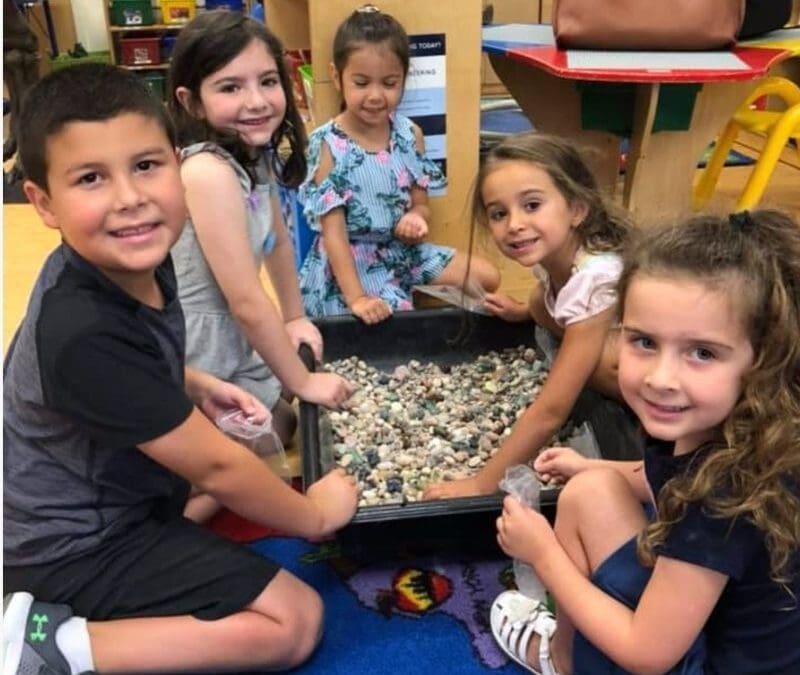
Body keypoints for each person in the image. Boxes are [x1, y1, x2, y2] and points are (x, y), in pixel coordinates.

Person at [3, 63, 358, 675]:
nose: (130, 198)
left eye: (145, 165)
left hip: (105, 492)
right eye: (91, 178)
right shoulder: (82, 327)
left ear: (175, 160)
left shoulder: (136, 253)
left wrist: (191, 382)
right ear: (43, 202)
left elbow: (119, 371)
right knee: (292, 621)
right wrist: (315, 517)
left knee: (242, 464)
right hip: (66, 546)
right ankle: (47, 647)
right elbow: (218, 468)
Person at [491, 211, 800, 674]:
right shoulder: (737, 425)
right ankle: (564, 658)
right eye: (643, 342)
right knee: (589, 490)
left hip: (700, 659)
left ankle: (564, 661)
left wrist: (543, 554)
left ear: (765, 359)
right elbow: (663, 475)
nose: (660, 378)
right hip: (728, 625)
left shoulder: (728, 496)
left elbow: (646, 654)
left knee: (584, 506)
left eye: (702, 352)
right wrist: (592, 467)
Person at [166, 11, 353, 520]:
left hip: (233, 342)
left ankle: (205, 475)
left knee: (282, 428)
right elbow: (246, 302)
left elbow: (277, 245)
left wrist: (293, 315)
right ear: (191, 101)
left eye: (267, 81)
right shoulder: (206, 171)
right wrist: (302, 381)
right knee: (239, 454)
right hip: (198, 349)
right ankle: (171, 520)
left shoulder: (255, 155)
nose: (255, 101)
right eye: (230, 87)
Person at [424, 133, 633, 500]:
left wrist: (481, 483)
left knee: (598, 360)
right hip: (598, 328)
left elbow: (552, 410)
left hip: (649, 383)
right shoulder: (557, 259)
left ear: (577, 209)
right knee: (540, 299)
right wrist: (525, 312)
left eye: (532, 205)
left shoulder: (597, 277)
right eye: (499, 213)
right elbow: (544, 298)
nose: (514, 224)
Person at [298, 5, 500, 324]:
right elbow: (332, 232)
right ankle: (391, 296)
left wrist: (416, 218)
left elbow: (421, 204)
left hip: (402, 251)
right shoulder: (326, 144)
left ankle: (406, 289)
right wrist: (357, 297)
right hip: (353, 259)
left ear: (405, 78)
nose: (376, 96)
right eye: (361, 83)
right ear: (337, 77)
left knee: (486, 277)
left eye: (389, 83)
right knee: (385, 317)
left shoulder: (410, 134)